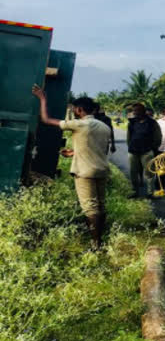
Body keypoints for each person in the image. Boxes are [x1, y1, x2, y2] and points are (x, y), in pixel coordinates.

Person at [32, 86, 111, 249]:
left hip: (85, 172)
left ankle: (96, 244)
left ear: (80, 110)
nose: (74, 111)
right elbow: (98, 149)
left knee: (90, 207)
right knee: (101, 205)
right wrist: (76, 152)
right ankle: (102, 235)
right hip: (102, 170)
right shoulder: (105, 127)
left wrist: (42, 99)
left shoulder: (80, 124)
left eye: (75, 109)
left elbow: (46, 120)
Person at [126, 103, 161, 198]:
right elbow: (129, 137)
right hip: (133, 152)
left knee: (149, 173)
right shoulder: (132, 122)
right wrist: (130, 147)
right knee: (133, 172)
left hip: (147, 151)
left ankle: (150, 192)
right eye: (134, 111)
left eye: (138, 110)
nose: (136, 112)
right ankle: (135, 192)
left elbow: (158, 137)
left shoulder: (152, 122)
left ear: (143, 111)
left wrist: (153, 148)